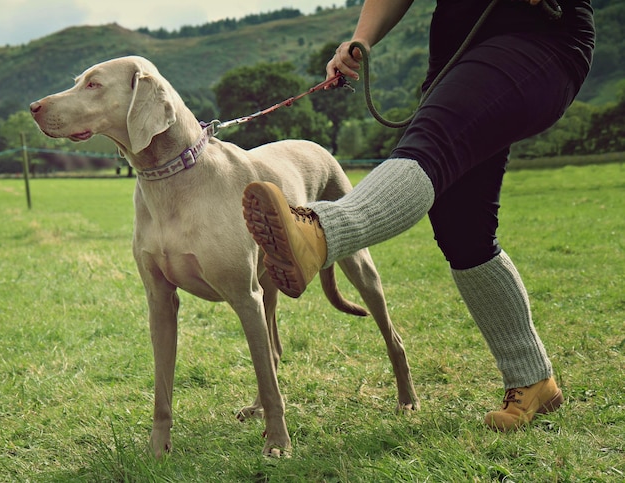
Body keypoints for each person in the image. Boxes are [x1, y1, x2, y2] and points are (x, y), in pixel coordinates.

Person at [242, 0, 594, 431]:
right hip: (456, 59)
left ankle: (319, 231)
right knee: (462, 226)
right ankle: (532, 379)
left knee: (431, 145)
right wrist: (361, 39)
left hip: (539, 40)